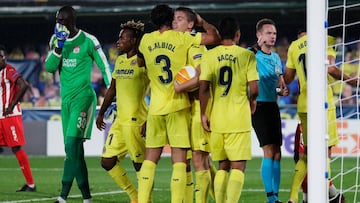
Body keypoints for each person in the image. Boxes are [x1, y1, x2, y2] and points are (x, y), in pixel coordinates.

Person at [136, 4, 220, 203]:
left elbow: (140, 62)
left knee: (150, 159)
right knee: (181, 161)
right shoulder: (184, 39)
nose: (176, 21)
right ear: (169, 20)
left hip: (155, 107)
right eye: (174, 18)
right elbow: (214, 37)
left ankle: (142, 199)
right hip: (178, 106)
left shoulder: (146, 40)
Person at [45, 5, 111, 203]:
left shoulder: (89, 40)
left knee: (71, 144)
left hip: (83, 98)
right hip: (66, 101)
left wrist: (112, 92)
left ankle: (62, 196)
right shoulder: (56, 40)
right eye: (57, 20)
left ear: (72, 21)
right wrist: (58, 47)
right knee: (75, 151)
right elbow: (49, 68)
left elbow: (104, 65)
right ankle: (87, 198)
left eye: (62, 21)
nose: (59, 24)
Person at [284, 30, 353, 203]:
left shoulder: (294, 46)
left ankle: (294, 198)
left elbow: (288, 78)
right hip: (322, 102)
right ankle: (328, 195)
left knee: (307, 153)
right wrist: (352, 80)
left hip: (304, 103)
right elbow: (331, 68)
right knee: (324, 152)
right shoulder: (325, 40)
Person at [199, 17, 259, 203]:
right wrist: (252, 101)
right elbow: (255, 88)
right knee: (238, 167)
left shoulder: (209, 55)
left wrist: (203, 114)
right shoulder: (246, 55)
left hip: (217, 118)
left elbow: (203, 88)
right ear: (237, 34)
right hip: (238, 118)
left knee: (222, 166)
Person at [96, 20, 148, 203]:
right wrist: (101, 112)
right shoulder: (120, 60)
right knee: (107, 161)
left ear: (133, 41)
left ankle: (144, 200)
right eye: (119, 38)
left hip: (136, 121)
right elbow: (112, 89)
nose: (118, 41)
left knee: (140, 165)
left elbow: (157, 87)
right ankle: (134, 196)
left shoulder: (142, 61)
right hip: (119, 120)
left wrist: (150, 119)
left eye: (123, 38)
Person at [172, 6, 217, 203]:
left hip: (201, 106)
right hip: (188, 109)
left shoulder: (195, 45)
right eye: (174, 19)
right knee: (201, 159)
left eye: (180, 19)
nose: (175, 22)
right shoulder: (180, 44)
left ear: (191, 24)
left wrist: (180, 87)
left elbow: (201, 76)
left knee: (199, 159)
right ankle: (221, 198)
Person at [249, 18, 288, 203]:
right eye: (268, 33)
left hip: (273, 106)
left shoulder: (275, 57)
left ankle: (276, 197)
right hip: (258, 107)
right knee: (268, 151)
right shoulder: (250, 55)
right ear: (259, 35)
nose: (273, 36)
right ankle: (270, 199)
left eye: (274, 33)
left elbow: (279, 87)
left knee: (277, 152)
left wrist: (283, 90)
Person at [0, 44, 36, 192]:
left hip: (10, 115)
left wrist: (11, 105)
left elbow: (24, 85)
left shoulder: (9, 70)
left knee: (16, 147)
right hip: (0, 116)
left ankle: (31, 184)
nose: (1, 60)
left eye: (1, 57)